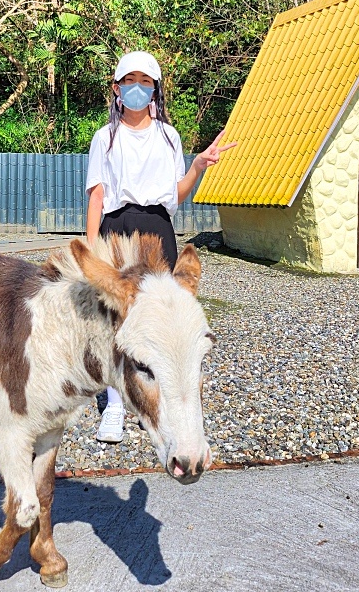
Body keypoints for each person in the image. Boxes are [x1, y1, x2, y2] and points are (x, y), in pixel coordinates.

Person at [85, 50, 236, 442]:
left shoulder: (169, 136)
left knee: (157, 318)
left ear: (155, 89)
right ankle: (115, 406)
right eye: (129, 81)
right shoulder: (105, 137)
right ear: (117, 89)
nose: (137, 88)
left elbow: (175, 196)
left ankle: (152, 402)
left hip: (158, 227)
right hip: (116, 228)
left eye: (146, 81)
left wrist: (199, 166)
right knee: (115, 317)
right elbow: (97, 196)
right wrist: (90, 252)